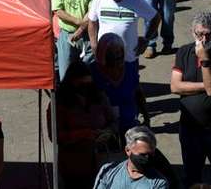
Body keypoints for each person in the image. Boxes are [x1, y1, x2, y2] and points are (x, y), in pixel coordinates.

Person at [171, 12, 211, 189]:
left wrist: (205, 60)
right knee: (191, 178)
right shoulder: (184, 52)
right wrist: (206, 85)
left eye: (209, 34)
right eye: (200, 34)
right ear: (193, 33)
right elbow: (175, 86)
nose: (204, 38)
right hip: (190, 128)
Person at [51, 61, 117, 189]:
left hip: (102, 159)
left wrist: (108, 131)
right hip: (73, 164)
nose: (84, 88)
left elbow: (113, 121)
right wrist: (85, 134)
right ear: (71, 83)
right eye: (80, 84)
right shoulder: (60, 103)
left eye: (88, 83)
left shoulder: (99, 96)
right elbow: (56, 136)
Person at [88, 0, 161, 69]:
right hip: (104, 57)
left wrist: (146, 39)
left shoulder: (136, 1)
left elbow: (155, 18)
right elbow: (92, 22)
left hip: (128, 58)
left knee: (129, 83)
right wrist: (94, 44)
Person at [90, 33, 149, 136]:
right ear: (102, 54)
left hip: (130, 124)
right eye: (112, 56)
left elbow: (138, 93)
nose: (117, 60)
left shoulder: (130, 69)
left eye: (120, 55)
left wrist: (146, 117)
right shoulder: (93, 72)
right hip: (103, 129)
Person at [52, 0, 98, 80]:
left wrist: (81, 29)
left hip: (87, 35)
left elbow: (93, 10)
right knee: (65, 73)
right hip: (67, 35)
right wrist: (79, 22)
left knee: (88, 71)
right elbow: (58, 11)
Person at [93, 126, 169, 188]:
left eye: (151, 154)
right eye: (142, 155)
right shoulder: (108, 171)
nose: (147, 158)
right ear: (128, 150)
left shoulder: (159, 183)